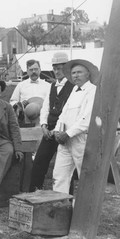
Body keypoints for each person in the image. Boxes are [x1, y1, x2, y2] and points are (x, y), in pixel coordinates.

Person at [28, 52, 75, 191]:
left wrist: (58, 131)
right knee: (39, 162)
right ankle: (34, 193)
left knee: (65, 167)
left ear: (66, 68)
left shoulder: (73, 87)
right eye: (54, 68)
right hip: (49, 131)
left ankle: (66, 198)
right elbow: (45, 108)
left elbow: (68, 112)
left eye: (60, 68)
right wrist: (43, 125)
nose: (56, 71)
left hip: (64, 132)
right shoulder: (52, 86)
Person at [52, 59, 98, 194]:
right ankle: (60, 207)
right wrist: (58, 131)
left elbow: (87, 118)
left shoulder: (93, 90)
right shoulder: (73, 90)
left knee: (84, 175)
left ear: (88, 74)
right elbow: (63, 114)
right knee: (59, 176)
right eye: (73, 73)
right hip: (64, 140)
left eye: (79, 72)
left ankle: (85, 210)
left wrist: (68, 133)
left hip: (80, 140)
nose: (76, 75)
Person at [10, 59, 50, 125]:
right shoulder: (21, 85)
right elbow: (12, 102)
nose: (33, 71)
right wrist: (20, 104)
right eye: (31, 70)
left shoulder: (48, 86)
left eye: (36, 69)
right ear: (27, 71)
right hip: (25, 120)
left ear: (40, 70)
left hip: (43, 120)